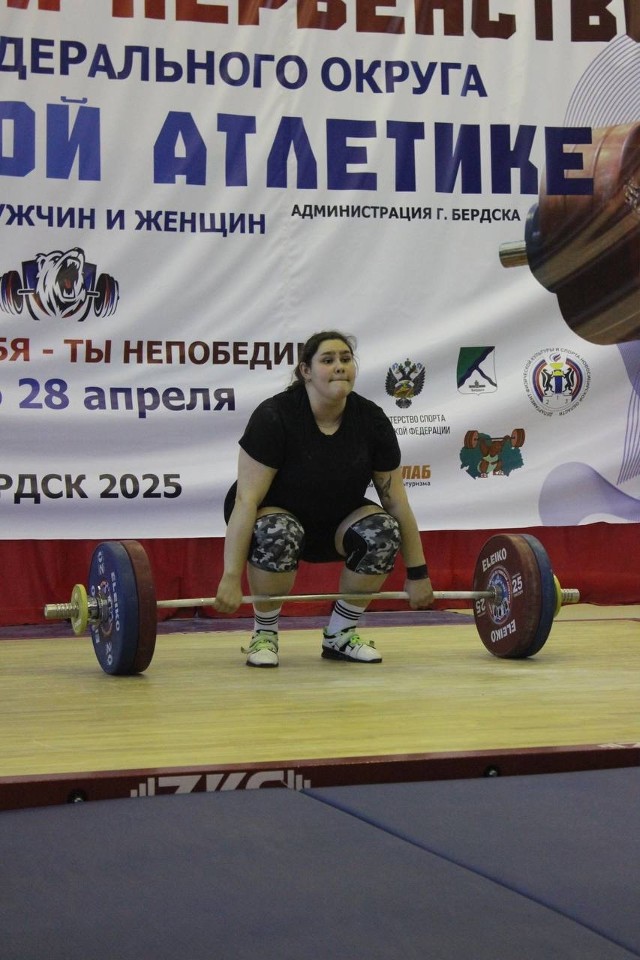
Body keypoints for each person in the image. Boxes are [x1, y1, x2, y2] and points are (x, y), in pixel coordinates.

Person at [213, 331, 434, 667]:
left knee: (382, 531)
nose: (339, 366)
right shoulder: (275, 416)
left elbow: (396, 502)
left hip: (335, 522)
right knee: (279, 530)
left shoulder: (371, 420)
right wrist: (231, 576)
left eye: (345, 359)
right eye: (328, 360)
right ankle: (264, 633)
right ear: (306, 371)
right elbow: (246, 501)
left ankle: (340, 635)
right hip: (274, 520)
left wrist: (418, 574)